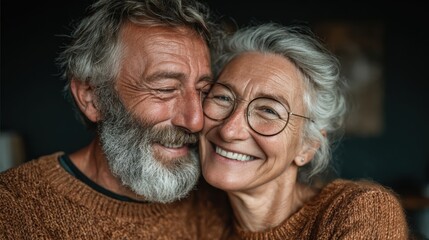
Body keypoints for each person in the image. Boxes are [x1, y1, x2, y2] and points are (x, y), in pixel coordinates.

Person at [0, 0, 229, 239]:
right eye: (165, 88)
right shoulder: (13, 209)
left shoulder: (216, 205)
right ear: (92, 98)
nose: (195, 120)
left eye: (203, 91)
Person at [199, 22, 410, 239]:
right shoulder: (190, 210)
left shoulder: (362, 212)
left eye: (268, 111)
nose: (229, 130)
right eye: (223, 97)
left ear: (307, 146)